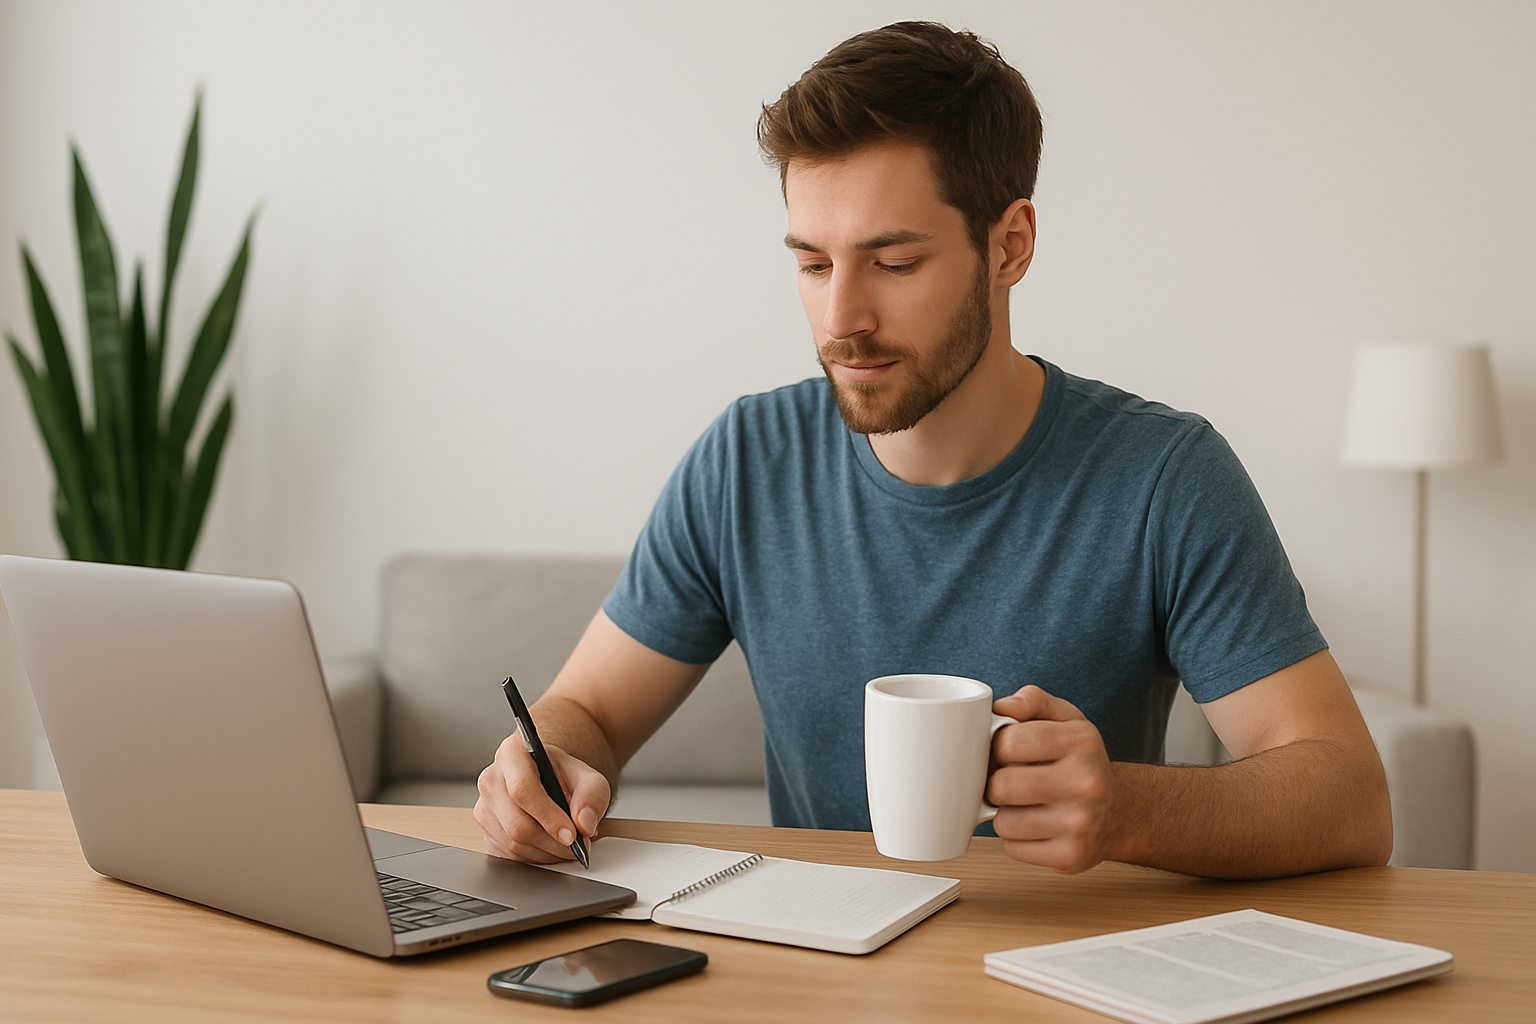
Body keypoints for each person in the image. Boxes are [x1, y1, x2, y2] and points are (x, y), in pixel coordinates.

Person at [474, 21, 1392, 879]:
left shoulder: (1163, 478)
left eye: (895, 262)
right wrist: (543, 759)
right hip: (818, 973)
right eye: (812, 262)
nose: (841, 319)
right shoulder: (744, 462)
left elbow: (1352, 801)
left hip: (1065, 978)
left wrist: (1126, 809)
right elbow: (587, 711)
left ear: (1010, 245)